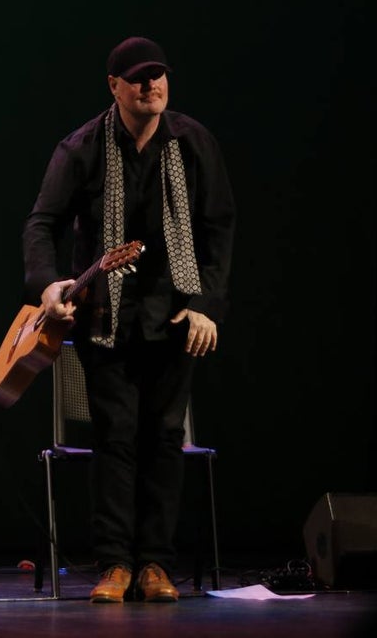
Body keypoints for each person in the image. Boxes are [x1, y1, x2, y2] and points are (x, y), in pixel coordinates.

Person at [23, 37, 235, 604]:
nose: (151, 86)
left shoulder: (192, 142)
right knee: (116, 439)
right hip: (105, 319)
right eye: (139, 79)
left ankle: (155, 566)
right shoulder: (82, 148)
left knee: (164, 439)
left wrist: (208, 305)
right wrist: (49, 286)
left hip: (176, 315)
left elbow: (218, 228)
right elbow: (42, 224)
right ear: (114, 86)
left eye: (159, 76)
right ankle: (115, 563)